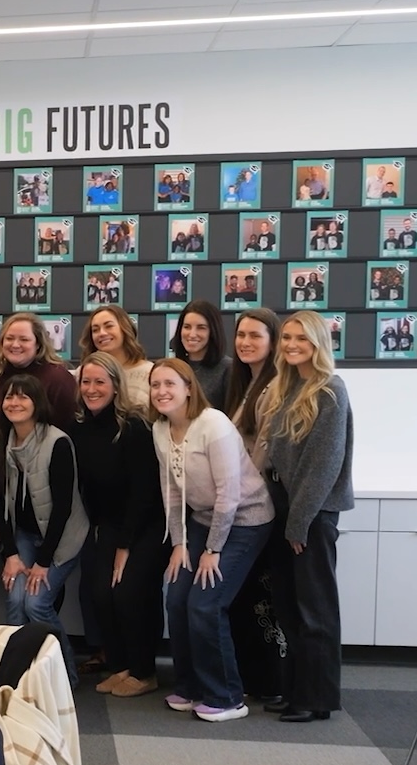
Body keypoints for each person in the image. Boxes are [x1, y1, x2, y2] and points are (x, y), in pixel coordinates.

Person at [149, 358, 274, 722]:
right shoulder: (160, 429)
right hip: (202, 521)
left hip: (246, 521)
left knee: (205, 605)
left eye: (170, 384)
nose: (161, 391)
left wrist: (212, 550)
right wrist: (179, 543)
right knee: (176, 600)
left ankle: (227, 696)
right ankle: (191, 687)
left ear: (189, 387)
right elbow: (171, 491)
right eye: (156, 385)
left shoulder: (213, 424)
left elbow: (229, 495)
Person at [257, 312, 355, 723]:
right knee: (289, 606)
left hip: (311, 513)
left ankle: (317, 698)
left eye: (302, 339)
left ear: (318, 344)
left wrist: (299, 522)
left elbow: (323, 464)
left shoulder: (330, 390)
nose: (292, 344)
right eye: (287, 338)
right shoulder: (284, 387)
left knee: (315, 609)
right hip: (283, 507)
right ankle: (296, 688)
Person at [70, 353, 164, 698]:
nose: (92, 389)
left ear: (115, 385)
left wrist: (125, 545)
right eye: (86, 382)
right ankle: (121, 666)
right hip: (106, 525)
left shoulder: (134, 426)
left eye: (100, 382)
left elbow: (143, 493)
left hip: (145, 526)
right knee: (99, 594)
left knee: (127, 594)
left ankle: (144, 671)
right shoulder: (79, 426)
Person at [0, 374, 88, 678]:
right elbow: (0, 502)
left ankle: (64, 676)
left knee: (36, 604)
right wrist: (11, 554)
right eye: (10, 396)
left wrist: (43, 562)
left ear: (37, 403)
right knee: (15, 601)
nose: (15, 403)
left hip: (61, 539)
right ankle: (17, 676)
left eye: (23, 397)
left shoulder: (57, 442)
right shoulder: (4, 441)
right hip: (23, 535)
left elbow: (62, 509)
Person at [221, 307, 287, 704]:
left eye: (255, 336)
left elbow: (262, 451)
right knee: (246, 597)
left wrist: (239, 489)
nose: (245, 342)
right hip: (245, 504)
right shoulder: (245, 383)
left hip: (260, 504)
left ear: (273, 341)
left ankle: (273, 681)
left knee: (265, 600)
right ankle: (255, 677)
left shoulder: (274, 386)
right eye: (241, 335)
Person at [0, 311, 76, 435]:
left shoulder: (58, 379)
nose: (15, 345)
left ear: (38, 344)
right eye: (9, 338)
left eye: (24, 339)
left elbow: (68, 428)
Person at [77, 304, 152, 415]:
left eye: (109, 326)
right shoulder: (82, 373)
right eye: (95, 330)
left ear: (124, 329)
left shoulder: (150, 372)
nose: (102, 333)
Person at [170, 299, 231, 409]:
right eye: (187, 327)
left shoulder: (228, 368)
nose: (192, 334)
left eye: (201, 328)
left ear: (213, 331)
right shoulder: (173, 367)